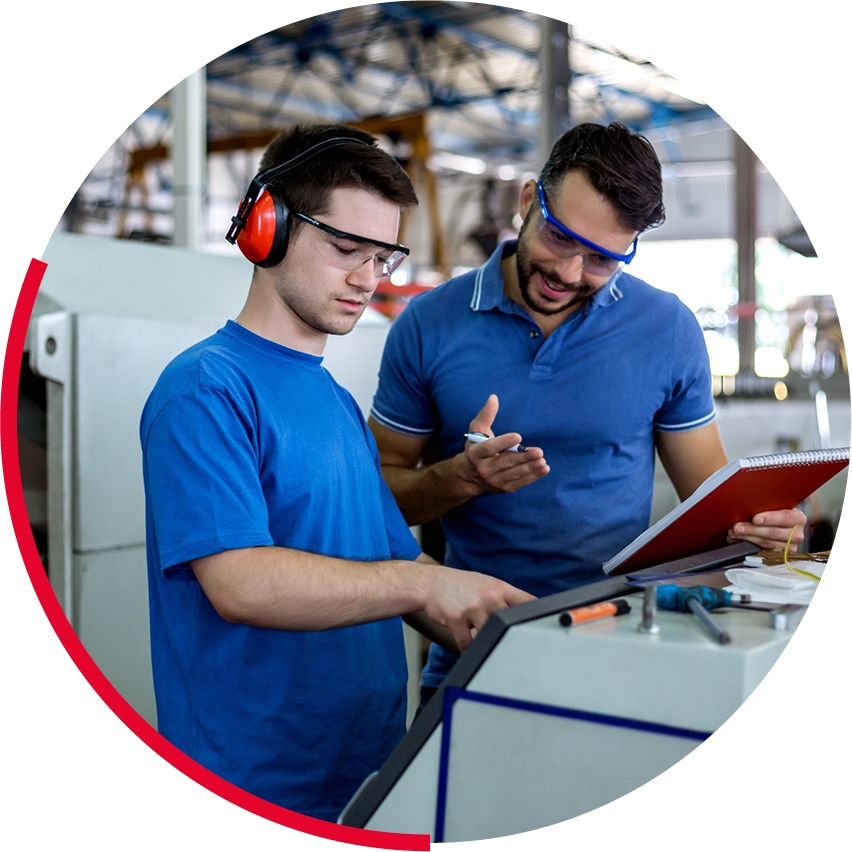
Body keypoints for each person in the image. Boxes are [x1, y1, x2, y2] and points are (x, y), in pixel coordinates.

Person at [139, 123, 535, 822]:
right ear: (268, 227)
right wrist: (423, 579)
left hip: (369, 769)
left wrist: (516, 631)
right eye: (346, 249)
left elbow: (392, 563)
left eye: (382, 256)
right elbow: (240, 584)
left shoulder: (335, 403)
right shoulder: (207, 390)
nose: (368, 279)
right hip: (254, 782)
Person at [367, 121, 806, 705]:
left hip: (626, 642)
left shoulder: (666, 329)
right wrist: (459, 480)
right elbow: (375, 499)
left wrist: (768, 535)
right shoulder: (428, 325)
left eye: (602, 259)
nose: (570, 274)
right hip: (475, 646)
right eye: (559, 238)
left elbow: (714, 515)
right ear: (529, 202)